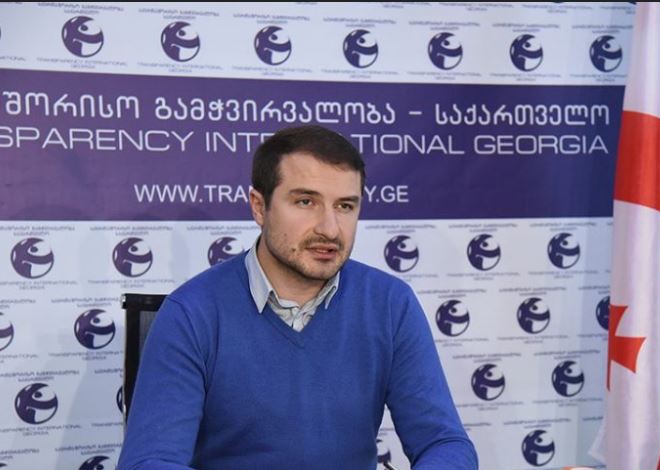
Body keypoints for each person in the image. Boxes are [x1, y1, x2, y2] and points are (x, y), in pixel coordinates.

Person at [117, 125, 478, 470]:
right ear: (259, 207)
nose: (330, 228)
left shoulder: (390, 304)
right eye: (306, 201)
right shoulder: (192, 313)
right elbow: (148, 462)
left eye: (345, 206)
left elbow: (445, 443)